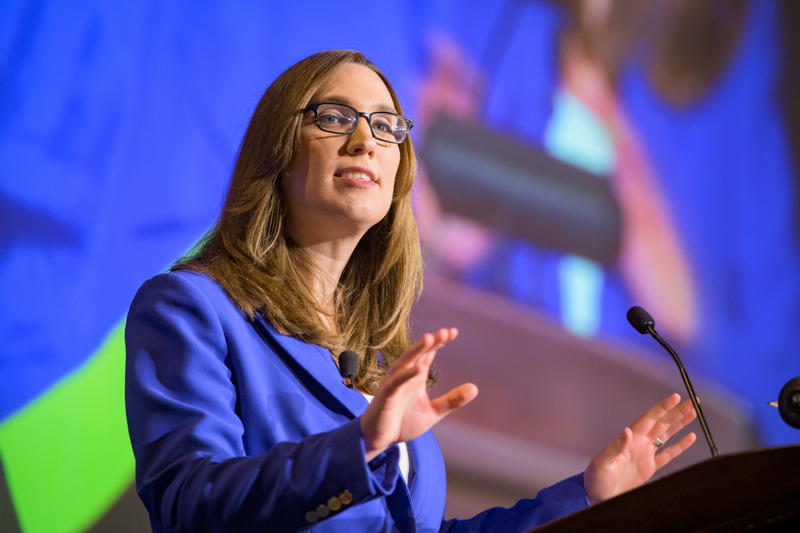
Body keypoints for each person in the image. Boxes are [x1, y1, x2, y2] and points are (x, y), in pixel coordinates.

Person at [124, 49, 697, 532]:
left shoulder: (377, 361)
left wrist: (586, 498)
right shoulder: (191, 308)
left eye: (385, 125)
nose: (364, 141)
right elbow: (188, 505)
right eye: (333, 117)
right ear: (277, 147)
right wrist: (361, 447)